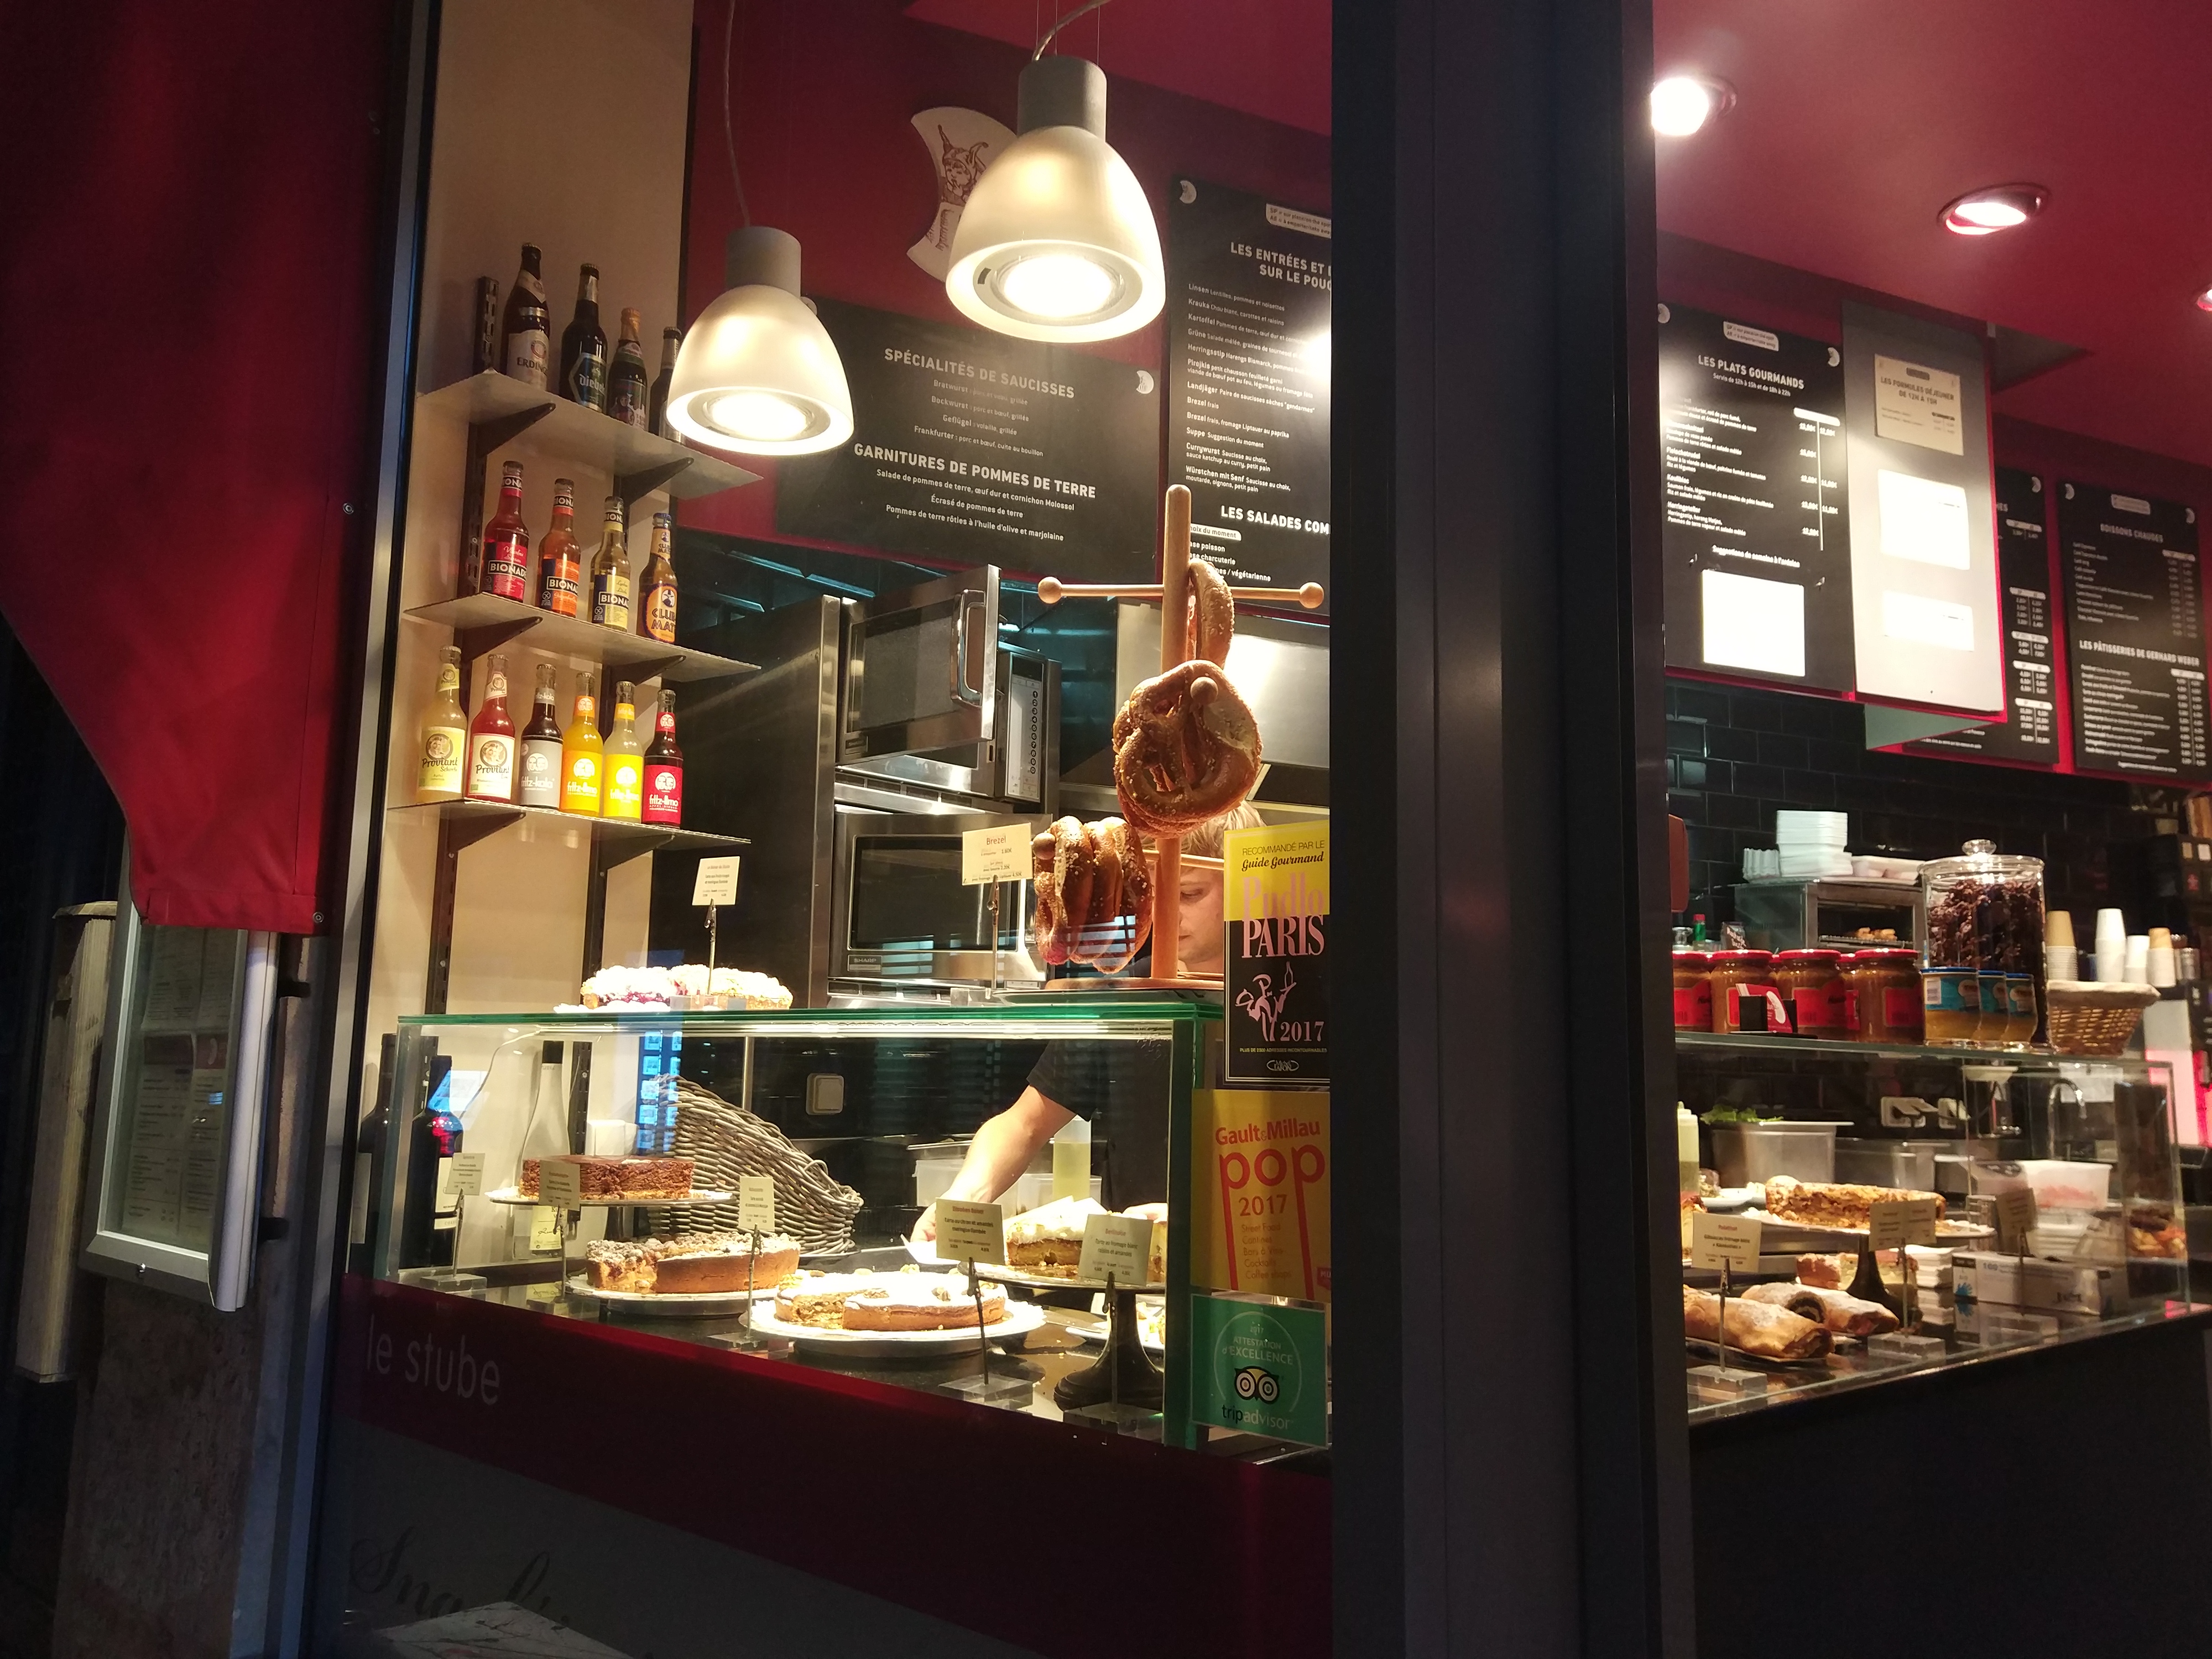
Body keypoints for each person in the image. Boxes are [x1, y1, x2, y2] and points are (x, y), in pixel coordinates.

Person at [912, 803, 1264, 1239]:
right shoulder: (1126, 995)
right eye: (1156, 893)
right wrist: (964, 1196)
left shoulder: (1286, 1003)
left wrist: (1200, 1218)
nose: (1167, 912)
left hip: (1252, 1259)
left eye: (1189, 894)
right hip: (1128, 1265)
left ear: (1247, 887)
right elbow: (1024, 1123)